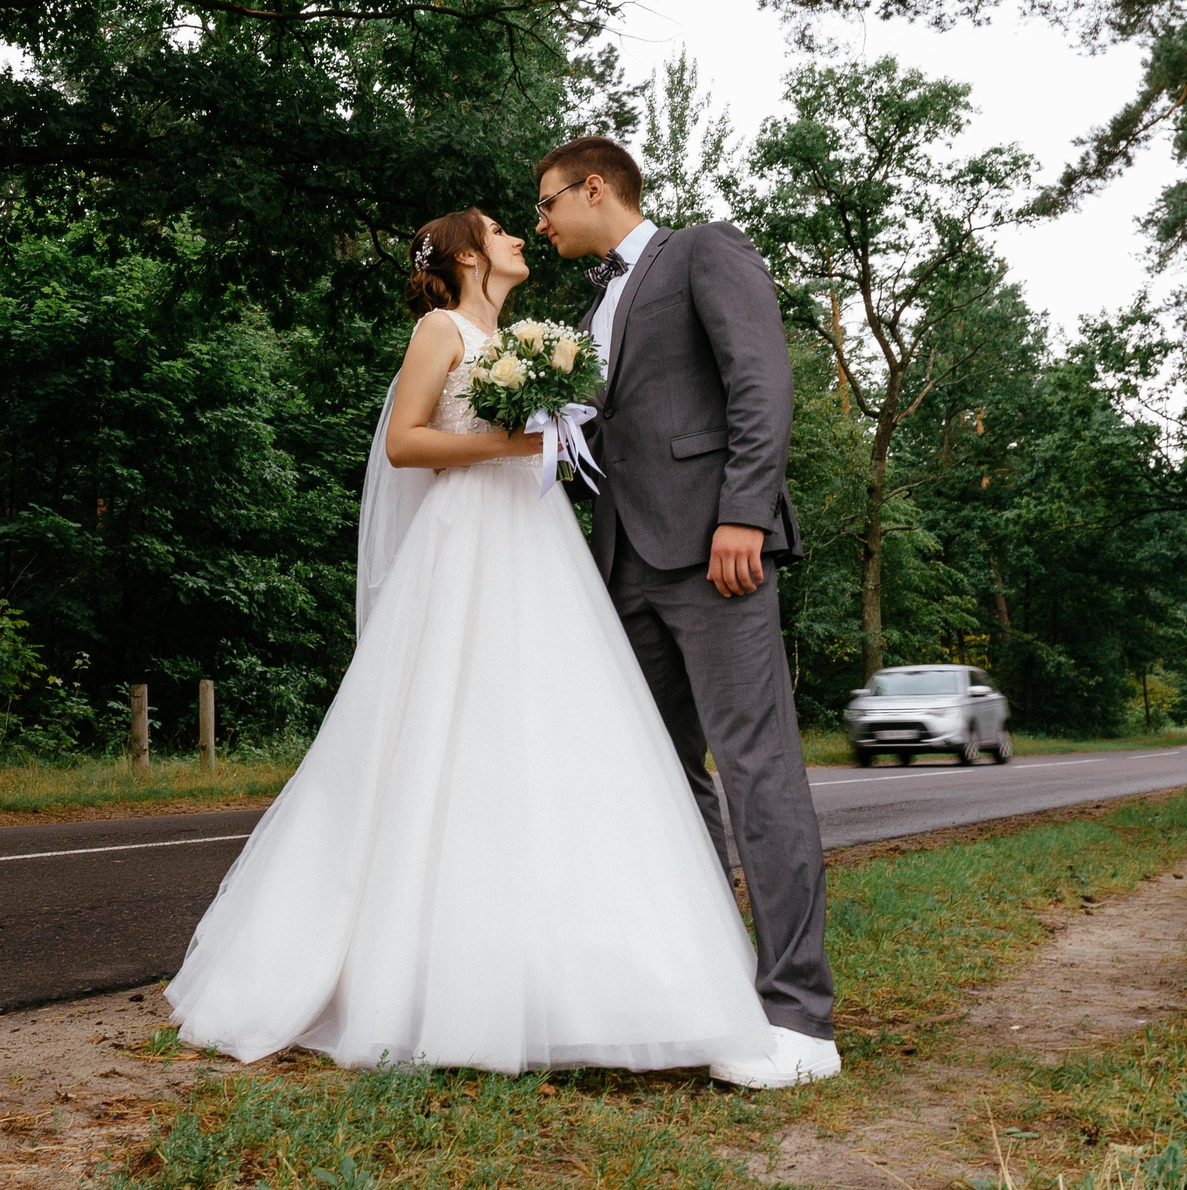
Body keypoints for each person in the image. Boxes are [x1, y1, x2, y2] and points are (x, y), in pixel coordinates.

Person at [163, 206, 780, 1077]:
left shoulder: (522, 334)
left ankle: (576, 975)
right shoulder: (439, 327)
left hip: (537, 545)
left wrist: (547, 438)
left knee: (553, 742)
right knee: (447, 741)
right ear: (464, 253)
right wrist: (511, 438)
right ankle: (419, 976)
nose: (521, 236)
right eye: (501, 229)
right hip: (465, 544)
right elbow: (406, 442)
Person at [533, 134, 838, 1089]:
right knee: (663, 785)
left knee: (757, 771)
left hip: (718, 558)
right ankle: (705, 990)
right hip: (624, 565)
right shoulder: (594, 304)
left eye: (547, 203)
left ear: (595, 187)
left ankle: (800, 1019)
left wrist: (745, 512)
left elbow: (761, 381)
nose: (540, 222)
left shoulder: (706, 248)